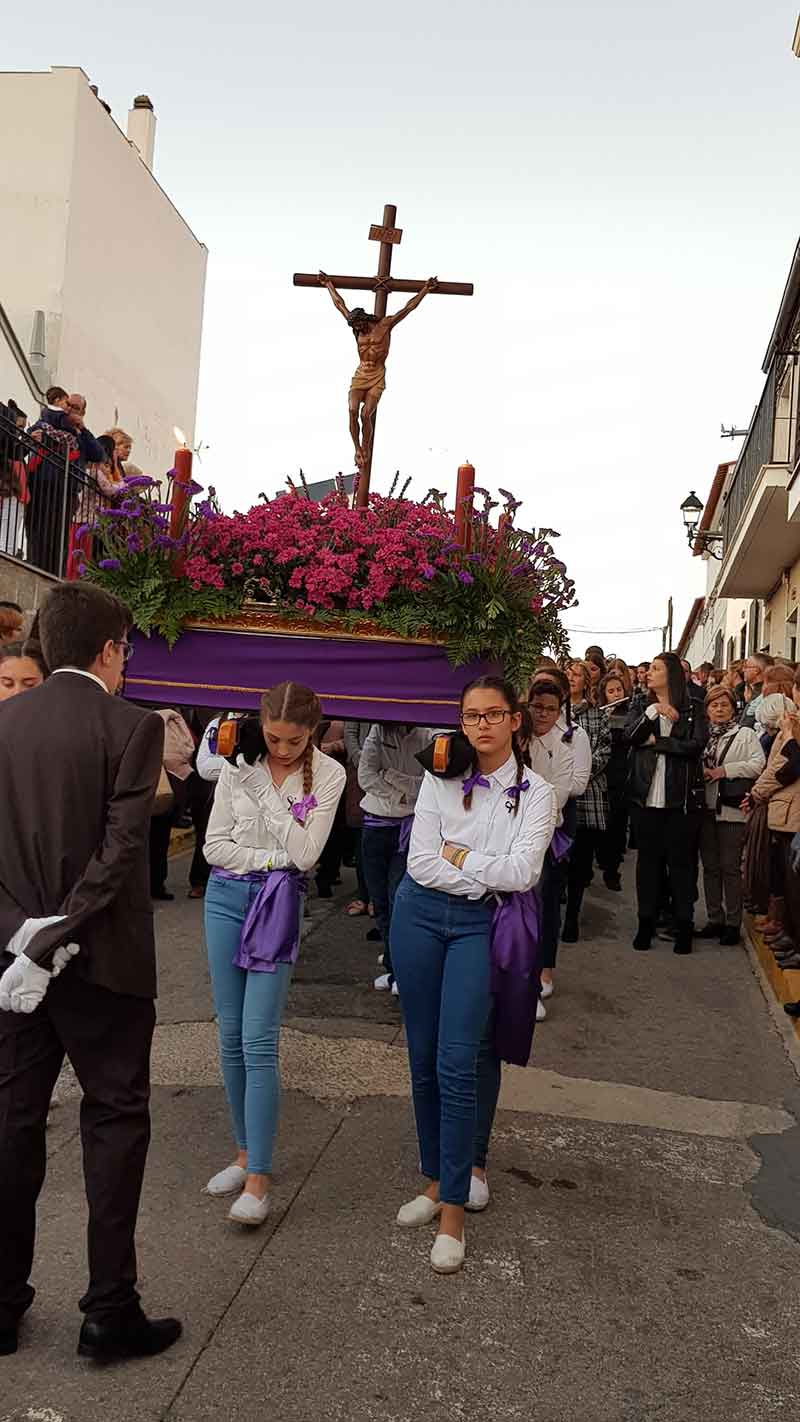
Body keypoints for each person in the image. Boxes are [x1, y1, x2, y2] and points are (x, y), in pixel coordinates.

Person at [0, 582, 181, 1361]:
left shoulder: (3, 721)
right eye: (126, 651)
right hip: (103, 965)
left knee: (10, 1129)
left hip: (11, 967)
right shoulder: (131, 725)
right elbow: (120, 852)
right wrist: (58, 935)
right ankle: (109, 1309)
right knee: (112, 1124)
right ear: (109, 651)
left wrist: (22, 938)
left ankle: (1, 1305)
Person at [390, 677, 557, 1274]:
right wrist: (479, 871)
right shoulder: (440, 774)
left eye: (492, 715)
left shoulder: (536, 792)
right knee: (422, 1056)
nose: (480, 725)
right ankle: (434, 1181)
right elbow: (419, 862)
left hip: (480, 928)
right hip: (417, 917)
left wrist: (462, 863)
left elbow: (521, 875)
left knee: (458, 1061)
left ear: (515, 720)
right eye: (469, 716)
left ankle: (455, 1209)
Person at [203, 682, 345, 1225]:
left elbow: (307, 855)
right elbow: (214, 844)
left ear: (313, 732)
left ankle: (259, 1179)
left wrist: (264, 793)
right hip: (224, 899)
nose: (281, 749)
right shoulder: (235, 761)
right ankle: (242, 1152)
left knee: (260, 1038)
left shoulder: (329, 776)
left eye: (294, 740)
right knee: (230, 1032)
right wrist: (270, 857)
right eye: (273, 738)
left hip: (279, 904)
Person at [625, 652, 707, 954]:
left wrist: (658, 743)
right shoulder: (639, 704)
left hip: (680, 801)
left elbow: (696, 745)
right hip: (645, 799)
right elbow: (631, 737)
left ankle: (684, 925)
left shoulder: (694, 707)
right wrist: (652, 712)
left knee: (682, 866)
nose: (649, 673)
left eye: (657, 669)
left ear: (671, 674)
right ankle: (645, 923)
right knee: (648, 865)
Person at [318, 271, 439, 468]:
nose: (357, 328)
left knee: (366, 414)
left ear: (365, 319)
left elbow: (408, 308)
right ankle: (357, 448)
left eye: (359, 324)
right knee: (351, 409)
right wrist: (328, 284)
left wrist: (425, 289)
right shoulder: (356, 329)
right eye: (354, 326)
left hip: (377, 375)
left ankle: (365, 448)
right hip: (360, 375)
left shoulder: (385, 325)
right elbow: (339, 304)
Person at [358, 722, 431, 994]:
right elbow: (365, 776)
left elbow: (428, 780)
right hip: (375, 827)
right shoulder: (379, 730)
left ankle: (402, 970)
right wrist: (402, 789)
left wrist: (391, 775)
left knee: (399, 898)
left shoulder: (428, 732)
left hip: (409, 829)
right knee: (380, 901)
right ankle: (392, 964)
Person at [697, 685, 765, 945]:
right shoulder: (703, 736)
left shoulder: (745, 734)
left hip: (732, 810)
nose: (719, 709)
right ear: (707, 710)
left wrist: (723, 771)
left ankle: (733, 923)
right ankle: (715, 918)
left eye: (724, 705)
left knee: (730, 868)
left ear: (733, 707)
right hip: (705, 808)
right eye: (714, 705)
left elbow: (758, 764)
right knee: (711, 867)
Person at [525, 677, 575, 1009]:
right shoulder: (517, 737)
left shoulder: (565, 745)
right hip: (507, 833)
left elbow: (558, 793)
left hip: (544, 834)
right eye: (537, 707)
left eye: (551, 709)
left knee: (542, 908)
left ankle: (539, 976)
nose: (543, 714)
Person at [562, 673, 611, 942]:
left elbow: (603, 753)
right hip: (554, 795)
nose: (571, 678)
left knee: (581, 861)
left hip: (587, 794)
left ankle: (572, 916)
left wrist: (578, 773)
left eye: (577, 675)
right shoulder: (553, 712)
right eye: (567, 674)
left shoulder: (598, 716)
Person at [149, 707, 196, 901]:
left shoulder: (142, 721)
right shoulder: (174, 722)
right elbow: (187, 749)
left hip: (146, 791)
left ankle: (149, 886)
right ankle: (156, 885)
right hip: (167, 791)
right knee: (159, 841)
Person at [597, 670, 631, 892]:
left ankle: (612, 871)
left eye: (619, 690)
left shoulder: (631, 713)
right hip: (602, 773)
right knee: (601, 825)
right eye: (611, 691)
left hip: (622, 773)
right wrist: (604, 721)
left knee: (618, 824)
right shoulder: (598, 715)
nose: (616, 694)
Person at [740, 653, 774, 728]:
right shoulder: (754, 691)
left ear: (756, 670)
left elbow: (746, 723)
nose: (743, 670)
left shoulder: (763, 693)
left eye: (746, 667)